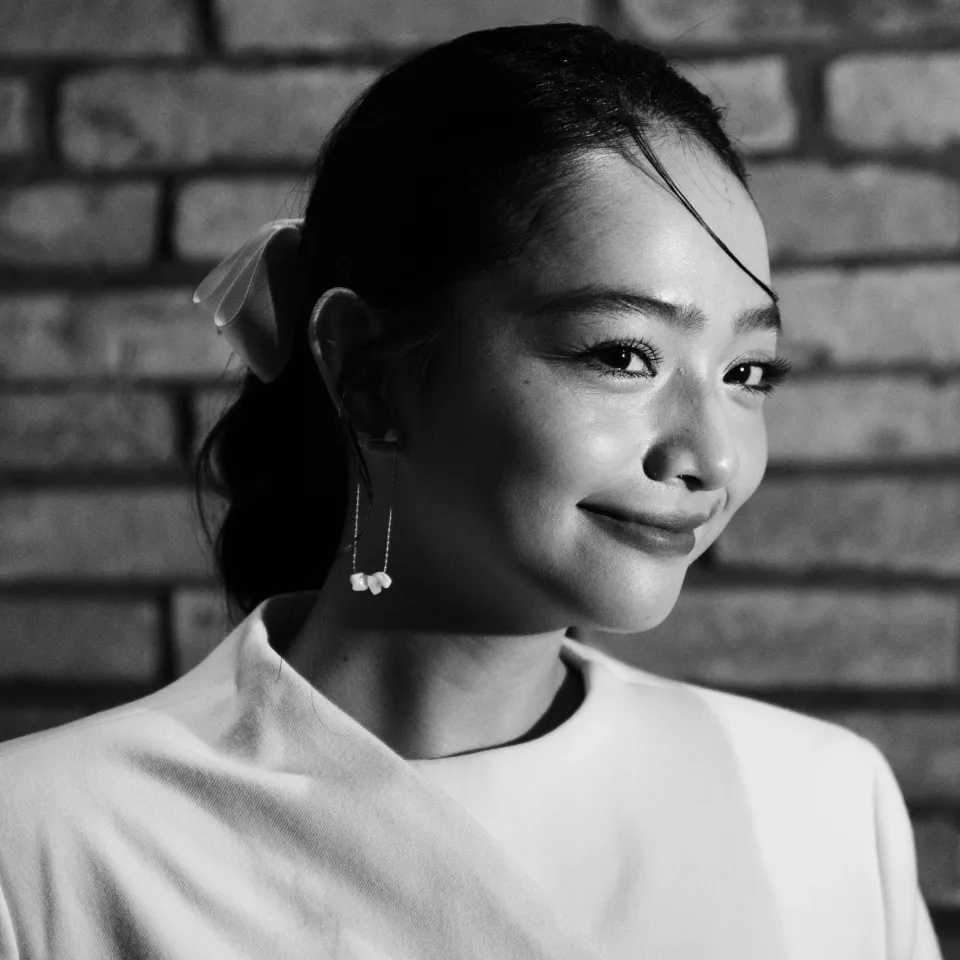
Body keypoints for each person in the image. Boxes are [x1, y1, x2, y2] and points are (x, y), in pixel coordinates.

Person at [0, 21, 941, 960]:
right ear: (368, 373)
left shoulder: (822, 804)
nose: (713, 457)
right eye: (623, 354)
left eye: (748, 374)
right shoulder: (46, 845)